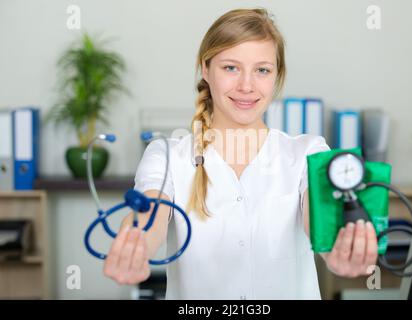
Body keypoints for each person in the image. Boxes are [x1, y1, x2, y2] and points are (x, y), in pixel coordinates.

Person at [103, 8, 378, 299]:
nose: (247, 86)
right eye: (231, 68)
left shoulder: (308, 152)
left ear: (276, 76)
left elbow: (322, 218)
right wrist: (137, 244)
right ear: (206, 69)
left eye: (262, 70)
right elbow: (151, 211)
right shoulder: (167, 155)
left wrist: (335, 247)